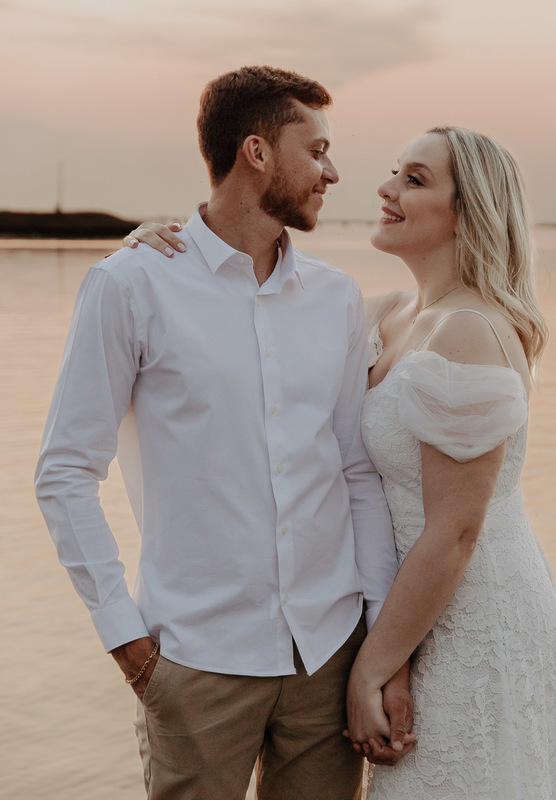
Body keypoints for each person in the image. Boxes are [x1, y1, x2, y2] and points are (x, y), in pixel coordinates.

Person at [127, 126, 556, 798]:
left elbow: (455, 532)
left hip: (469, 617)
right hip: (407, 617)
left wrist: (370, 667)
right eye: (393, 173)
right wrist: (162, 250)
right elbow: (254, 314)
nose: (384, 189)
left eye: (414, 180)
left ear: (467, 211)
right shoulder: (391, 315)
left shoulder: (469, 330)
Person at [35, 65, 402, 800]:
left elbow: (354, 471)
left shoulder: (335, 300)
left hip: (328, 657)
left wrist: (376, 639)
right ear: (257, 153)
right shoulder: (130, 285)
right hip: (195, 662)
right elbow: (66, 472)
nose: (331, 172)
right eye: (317, 149)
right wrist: (127, 640)